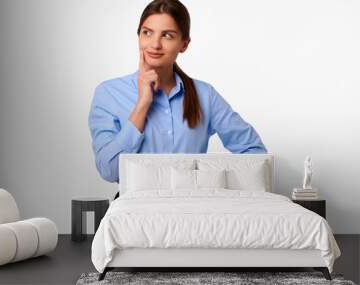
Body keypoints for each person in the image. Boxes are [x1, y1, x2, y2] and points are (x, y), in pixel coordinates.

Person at [88, 0, 267, 184]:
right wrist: (142, 105)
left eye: (167, 35)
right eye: (147, 33)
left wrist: (214, 183)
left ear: (184, 44)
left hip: (192, 207)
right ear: (139, 36)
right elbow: (108, 170)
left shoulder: (205, 95)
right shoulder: (109, 93)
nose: (155, 44)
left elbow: (255, 153)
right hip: (136, 208)